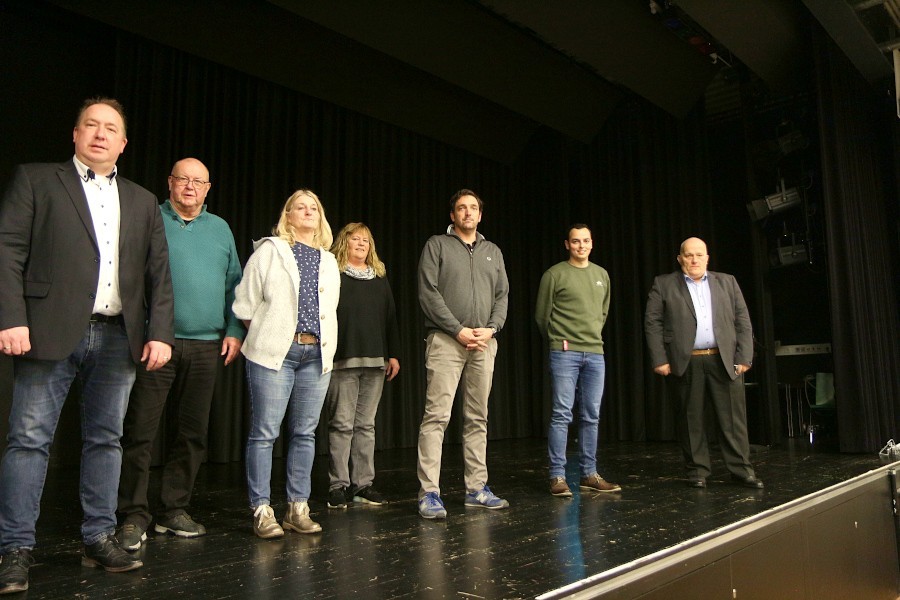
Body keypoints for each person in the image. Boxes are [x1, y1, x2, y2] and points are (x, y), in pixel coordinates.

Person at [0, 97, 174, 593]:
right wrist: (11, 316)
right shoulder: (36, 179)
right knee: (29, 440)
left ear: (122, 143)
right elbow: (7, 250)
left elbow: (158, 273)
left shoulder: (142, 200)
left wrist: (159, 331)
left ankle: (98, 537)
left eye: (110, 128)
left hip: (119, 336)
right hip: (47, 329)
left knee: (106, 439)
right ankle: (14, 548)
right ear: (75, 134)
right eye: (91, 125)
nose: (100, 134)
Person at [117, 158, 245, 551]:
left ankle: (173, 510)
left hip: (208, 346)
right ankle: (132, 515)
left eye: (198, 181)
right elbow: (130, 279)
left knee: (192, 434)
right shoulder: (148, 219)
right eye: (183, 179)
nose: (190, 186)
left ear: (208, 188)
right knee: (140, 431)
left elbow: (235, 286)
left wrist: (236, 331)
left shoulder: (220, 228)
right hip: (157, 343)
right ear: (169, 183)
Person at [233, 189, 340, 538]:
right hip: (275, 353)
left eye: (314, 208)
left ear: (320, 217)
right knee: (265, 433)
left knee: (305, 433)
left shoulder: (328, 260)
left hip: (316, 355)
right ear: (288, 216)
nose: (307, 212)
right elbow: (246, 304)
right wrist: (271, 336)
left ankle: (297, 507)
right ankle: (262, 509)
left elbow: (330, 310)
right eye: (300, 207)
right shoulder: (270, 250)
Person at [416, 189, 509, 519]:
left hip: (484, 343)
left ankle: (476, 488)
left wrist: (492, 328)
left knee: (477, 418)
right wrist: (457, 329)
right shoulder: (436, 246)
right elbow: (428, 293)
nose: (467, 213)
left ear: (480, 215)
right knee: (437, 417)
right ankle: (429, 492)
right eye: (461, 208)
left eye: (473, 208)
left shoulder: (492, 252)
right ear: (452, 215)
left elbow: (502, 296)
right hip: (446, 341)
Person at [644, 237, 763, 489]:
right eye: (688, 255)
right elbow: (652, 323)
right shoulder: (664, 284)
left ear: (707, 257)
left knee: (733, 420)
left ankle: (741, 470)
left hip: (724, 360)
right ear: (680, 259)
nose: (694, 259)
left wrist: (744, 357)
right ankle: (697, 471)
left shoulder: (727, 282)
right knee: (690, 420)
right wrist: (660, 358)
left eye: (699, 255)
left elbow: (743, 320)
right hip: (686, 362)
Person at [535, 224, 621, 498]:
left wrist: (590, 336)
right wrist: (559, 341)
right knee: (562, 414)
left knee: (591, 415)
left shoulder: (601, 275)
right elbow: (541, 316)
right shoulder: (555, 274)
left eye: (585, 241)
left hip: (595, 352)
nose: (581, 246)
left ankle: (589, 474)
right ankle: (557, 476)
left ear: (592, 244)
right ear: (567, 244)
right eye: (575, 241)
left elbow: (603, 312)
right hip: (565, 352)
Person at [325, 223, 400, 509]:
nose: (361, 244)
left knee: (365, 425)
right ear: (345, 242)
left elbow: (390, 317)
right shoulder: (333, 275)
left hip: (375, 361)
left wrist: (393, 354)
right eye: (355, 239)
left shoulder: (379, 278)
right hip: (342, 359)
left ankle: (363, 484)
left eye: (366, 240)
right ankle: (338, 486)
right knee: (342, 425)